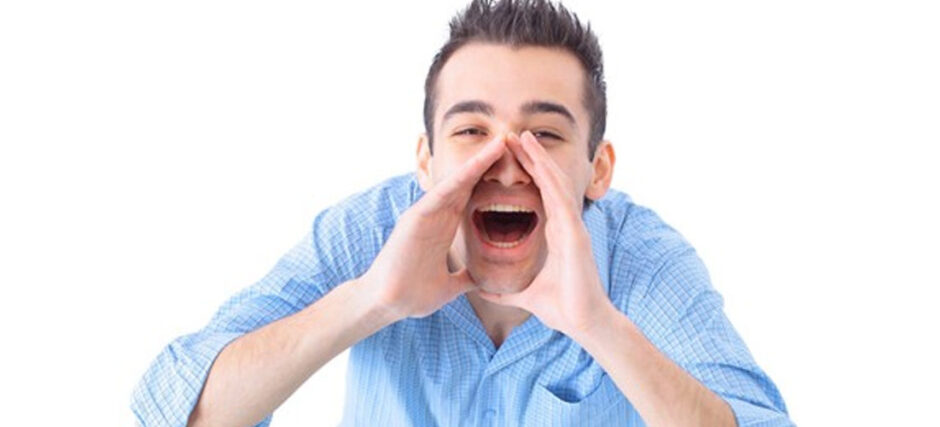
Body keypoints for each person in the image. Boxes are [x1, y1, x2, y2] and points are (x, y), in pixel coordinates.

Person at [131, 0, 792, 425]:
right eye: (473, 131)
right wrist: (370, 300)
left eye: (546, 134)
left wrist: (599, 326)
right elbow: (171, 407)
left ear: (599, 169)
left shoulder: (645, 258)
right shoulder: (368, 230)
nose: (506, 164)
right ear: (426, 159)